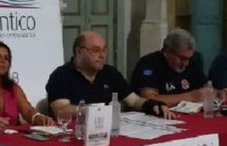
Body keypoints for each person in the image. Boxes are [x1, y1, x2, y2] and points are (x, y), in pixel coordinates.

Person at [46, 30, 174, 118]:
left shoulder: (110, 73)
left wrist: (152, 106)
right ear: (79, 52)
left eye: (104, 50)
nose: (102, 55)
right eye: (95, 51)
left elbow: (133, 101)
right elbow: (61, 110)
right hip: (75, 135)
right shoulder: (61, 76)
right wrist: (100, 111)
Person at [129, 29, 208, 106]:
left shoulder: (192, 62)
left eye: (189, 58)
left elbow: (207, 89)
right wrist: (191, 96)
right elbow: (149, 99)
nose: (186, 64)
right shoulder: (148, 63)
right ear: (167, 52)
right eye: (183, 59)